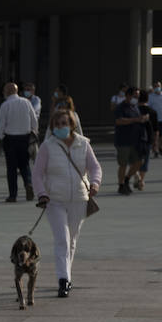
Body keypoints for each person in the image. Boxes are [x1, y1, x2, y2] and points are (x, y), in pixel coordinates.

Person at [33, 108, 101, 297]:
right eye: (57, 124)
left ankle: (67, 275)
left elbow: (95, 167)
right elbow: (37, 174)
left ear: (72, 125)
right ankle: (63, 280)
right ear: (53, 127)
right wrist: (42, 193)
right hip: (54, 199)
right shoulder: (48, 146)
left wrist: (95, 183)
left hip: (79, 198)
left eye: (64, 123)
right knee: (62, 239)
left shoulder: (83, 144)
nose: (61, 127)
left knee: (71, 240)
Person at [0, 82, 38, 202]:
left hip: (10, 139)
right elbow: (34, 120)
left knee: (11, 167)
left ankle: (13, 195)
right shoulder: (26, 103)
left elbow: (1, 124)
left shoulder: (5, 105)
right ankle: (28, 183)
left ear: (7, 92)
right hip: (25, 138)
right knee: (25, 164)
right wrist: (34, 133)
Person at [112, 87, 148, 194]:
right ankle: (121, 185)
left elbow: (137, 119)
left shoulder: (135, 107)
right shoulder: (120, 107)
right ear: (128, 95)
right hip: (123, 141)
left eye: (138, 96)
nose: (136, 98)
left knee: (139, 162)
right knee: (123, 164)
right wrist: (136, 120)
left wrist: (142, 119)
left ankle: (127, 179)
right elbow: (119, 121)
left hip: (135, 141)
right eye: (135, 96)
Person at [146, 81, 162, 158]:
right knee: (155, 136)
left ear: (161, 86)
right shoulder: (150, 96)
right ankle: (156, 150)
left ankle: (159, 146)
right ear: (153, 87)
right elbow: (148, 107)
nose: (157, 87)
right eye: (155, 86)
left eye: (158, 86)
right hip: (154, 119)